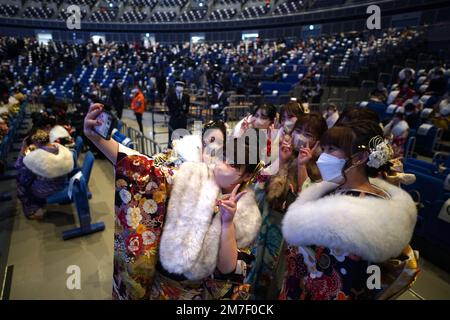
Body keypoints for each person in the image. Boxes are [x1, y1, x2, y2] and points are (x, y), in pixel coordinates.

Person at [83, 104, 262, 300]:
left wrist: (227, 222)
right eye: (222, 156)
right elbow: (145, 170)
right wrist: (97, 139)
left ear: (245, 176)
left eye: (233, 164)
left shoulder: (246, 212)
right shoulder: (191, 175)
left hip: (196, 294)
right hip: (160, 285)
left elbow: (227, 268)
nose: (221, 164)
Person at [280, 120, 419, 300]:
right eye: (324, 148)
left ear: (359, 158)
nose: (323, 156)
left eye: (331, 150)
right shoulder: (337, 190)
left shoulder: (360, 214)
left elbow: (344, 282)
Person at [249, 112, 327, 299]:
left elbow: (307, 205)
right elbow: (258, 188)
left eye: (308, 134)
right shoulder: (283, 155)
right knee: (257, 276)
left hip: (291, 238)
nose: (300, 137)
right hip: (268, 228)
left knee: (280, 282)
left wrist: (302, 166)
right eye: (298, 131)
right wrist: (282, 162)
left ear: (318, 141)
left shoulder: (321, 169)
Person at [15, 129, 74, 220]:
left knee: (21, 185)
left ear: (36, 142)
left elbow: (18, 166)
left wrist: (23, 148)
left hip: (49, 189)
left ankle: (33, 211)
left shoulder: (39, 157)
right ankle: (38, 203)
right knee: (30, 177)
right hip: (62, 182)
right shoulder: (60, 148)